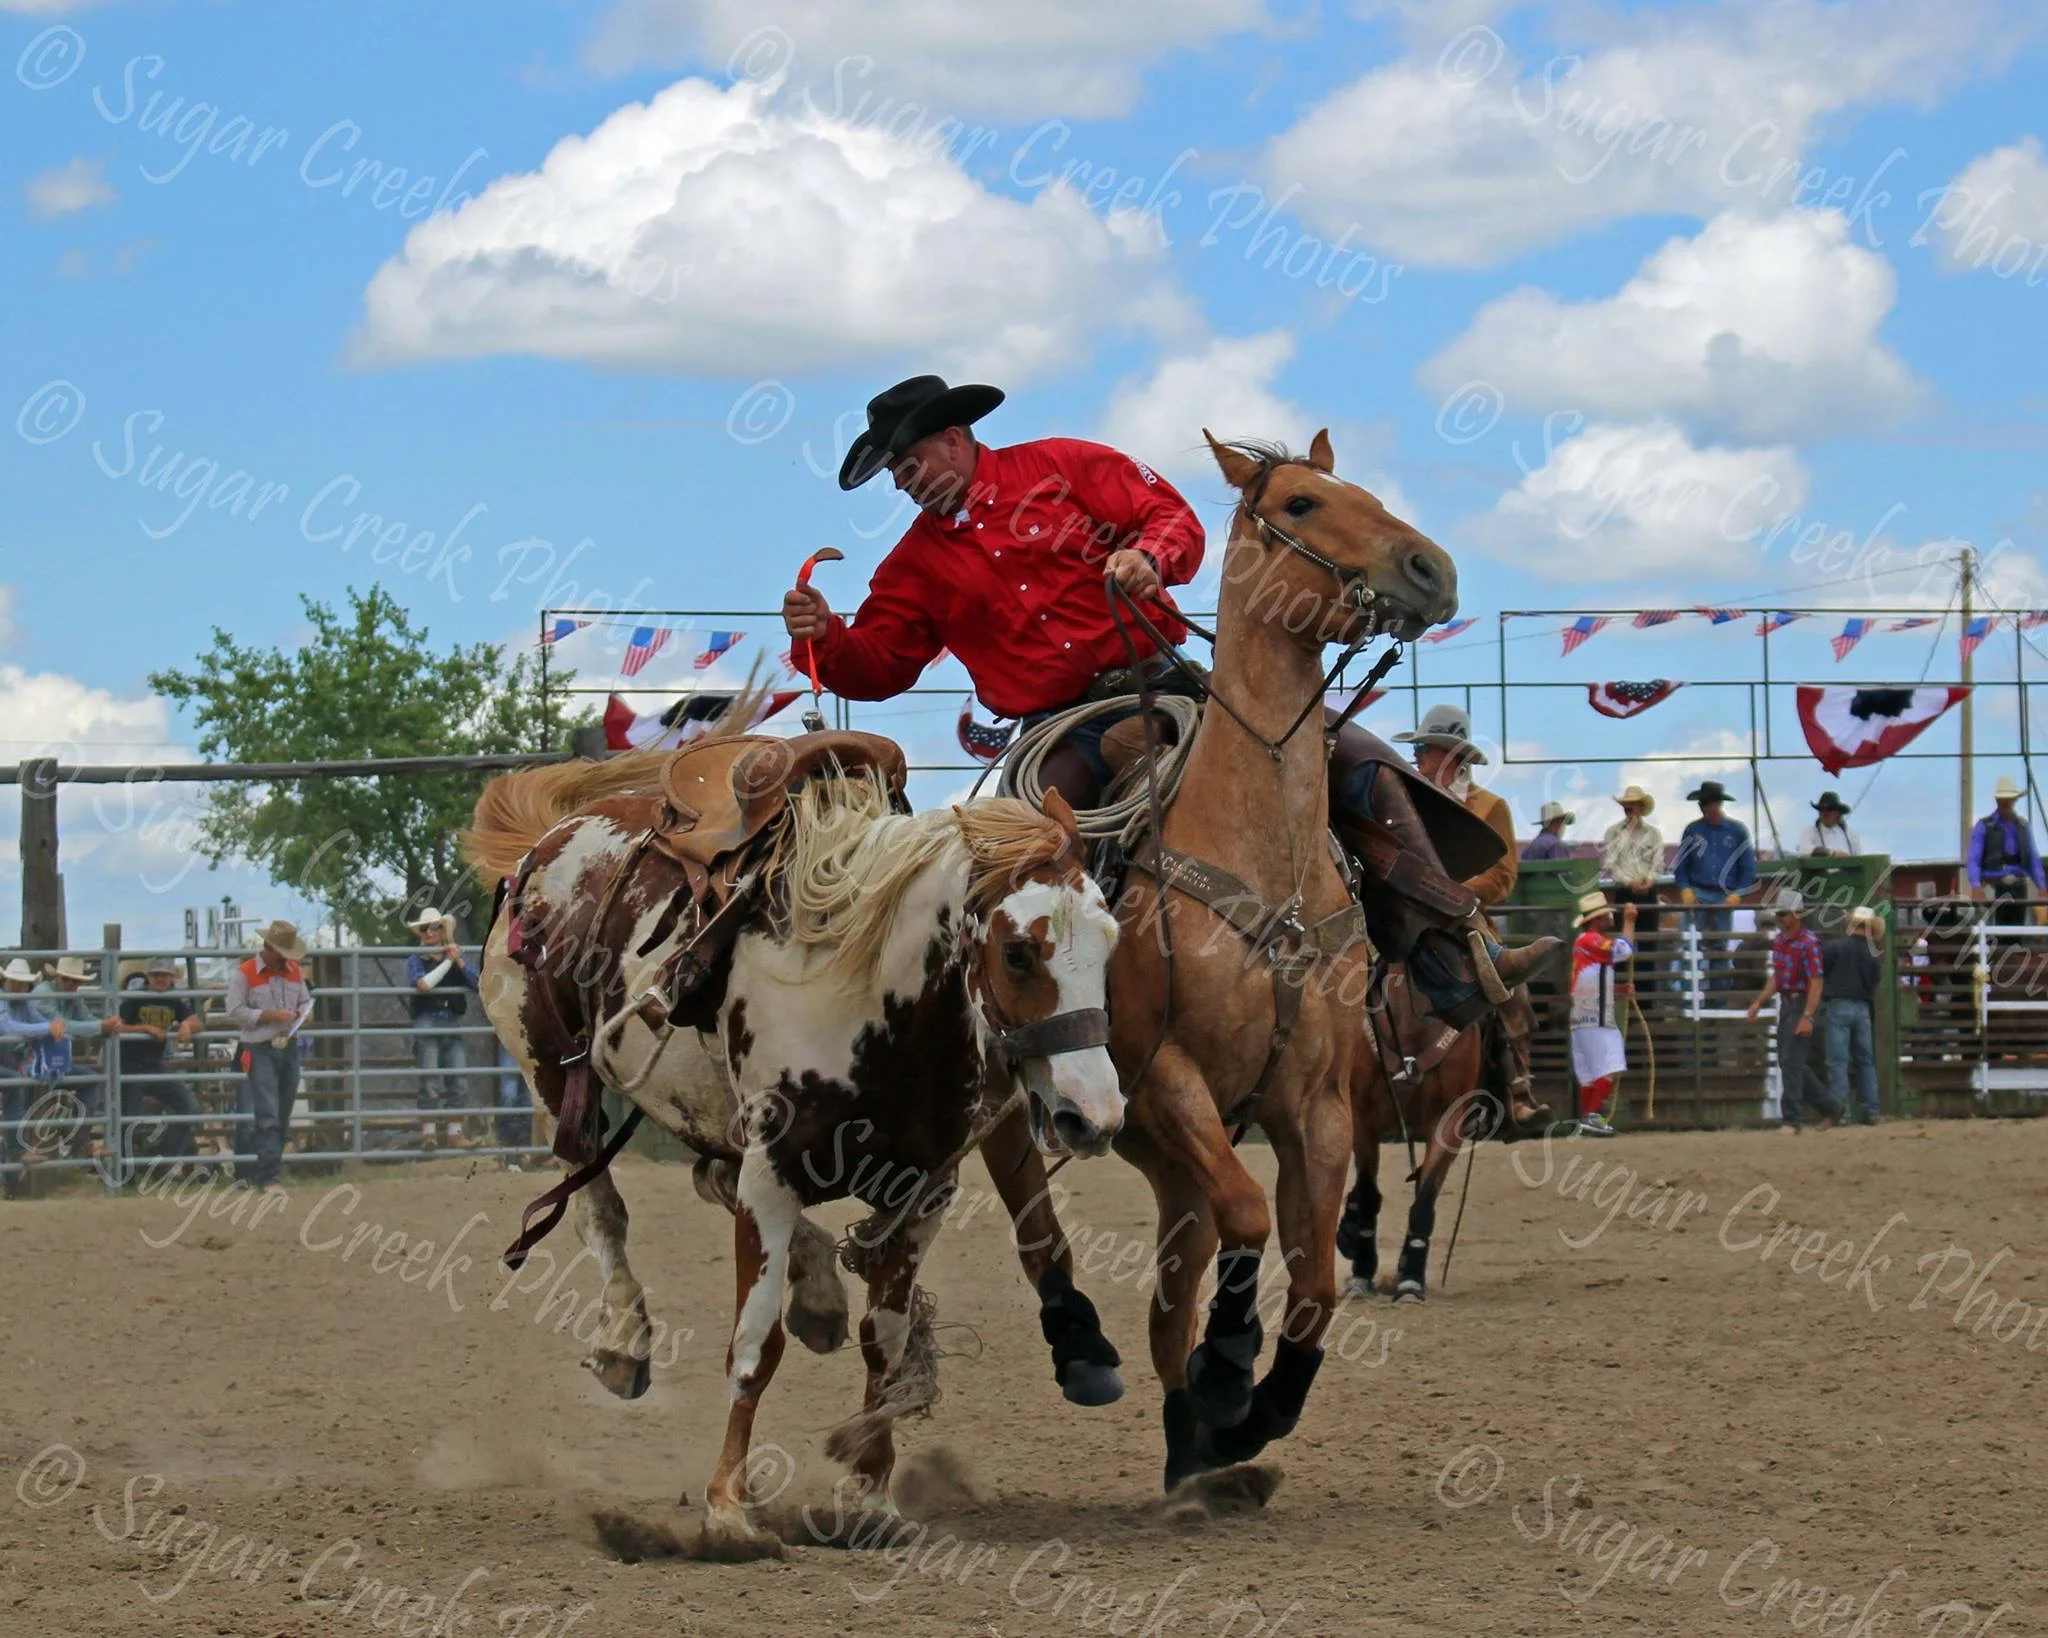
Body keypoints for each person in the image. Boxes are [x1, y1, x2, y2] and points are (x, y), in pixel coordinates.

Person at [783, 373, 1554, 1030]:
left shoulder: (1066, 465)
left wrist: (1150, 558)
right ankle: (1034, 1034)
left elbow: (1171, 521)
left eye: (909, 462)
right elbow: (881, 665)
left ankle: (1454, 946)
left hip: (1168, 680)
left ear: (954, 439)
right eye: (895, 474)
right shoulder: (914, 564)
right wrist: (827, 638)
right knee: (1024, 857)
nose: (904, 481)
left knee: (1357, 758)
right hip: (1059, 728)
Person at [1394, 705, 1544, 1130]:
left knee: (1508, 989)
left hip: (1463, 918)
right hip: (1405, 911)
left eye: (1423, 748)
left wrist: (1450, 893)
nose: (1417, 757)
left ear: (1449, 755)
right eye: (1418, 748)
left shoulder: (1490, 806)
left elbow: (1503, 875)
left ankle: (1519, 1090)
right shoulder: (1406, 800)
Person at [223, 920, 312, 1194]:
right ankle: (268, 1177)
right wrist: (272, 1016)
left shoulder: (294, 972)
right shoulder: (245, 973)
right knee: (267, 1113)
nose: (285, 959)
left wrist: (304, 1013)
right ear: (267, 947)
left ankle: (265, 1173)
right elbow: (234, 1012)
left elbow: (305, 1002)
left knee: (281, 1113)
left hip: (288, 1046)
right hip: (258, 1048)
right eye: (280, 952)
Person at [1745, 890, 1841, 1133]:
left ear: (1796, 915)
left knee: (1791, 1063)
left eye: (1783, 914)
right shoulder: (1781, 941)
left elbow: (1816, 982)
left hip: (1799, 1003)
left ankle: (1792, 1118)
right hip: (1789, 1004)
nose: (1780, 918)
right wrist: (1759, 1001)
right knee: (1790, 1062)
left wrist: (1808, 1015)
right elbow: (1777, 977)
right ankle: (1830, 1107)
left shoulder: (1808, 943)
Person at [116, 956, 205, 1161]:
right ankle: (123, 1171)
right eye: (156, 975)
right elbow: (117, 1026)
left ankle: (160, 1158)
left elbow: (198, 1023)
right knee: (125, 1119)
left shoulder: (174, 1001)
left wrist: (185, 1025)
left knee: (189, 1108)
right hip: (129, 1065)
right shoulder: (135, 999)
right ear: (149, 977)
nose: (160, 979)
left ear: (171, 978)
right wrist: (144, 1028)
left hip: (154, 1065)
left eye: (164, 975)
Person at [33, 955, 122, 1157]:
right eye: (67, 979)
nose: (71, 984)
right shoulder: (43, 994)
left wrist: (106, 1024)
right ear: (57, 978)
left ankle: (77, 1138)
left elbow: (86, 1019)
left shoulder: (72, 997)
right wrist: (102, 1026)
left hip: (52, 1061)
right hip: (33, 1061)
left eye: (75, 981)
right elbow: (65, 1025)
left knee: (90, 1080)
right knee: (89, 1080)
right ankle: (74, 1137)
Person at [405, 908, 478, 1151]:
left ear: (442, 931)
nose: (428, 933)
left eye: (434, 927)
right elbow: (424, 985)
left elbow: (478, 983)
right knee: (429, 1079)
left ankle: (453, 1134)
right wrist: (450, 960)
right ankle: (429, 1135)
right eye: (425, 929)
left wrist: (458, 960)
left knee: (458, 1079)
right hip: (427, 1020)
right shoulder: (417, 959)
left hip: (450, 1020)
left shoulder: (453, 959)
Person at [1674, 780, 1756, 988]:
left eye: (1710, 803)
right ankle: (1691, 1000)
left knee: (1719, 946)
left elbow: (1748, 867)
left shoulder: (1737, 831)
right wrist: (1685, 889)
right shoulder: (1692, 830)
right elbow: (1681, 866)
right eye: (1704, 803)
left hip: (1724, 894)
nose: (1707, 807)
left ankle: (1717, 999)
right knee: (1691, 945)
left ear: (1718, 804)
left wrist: (1738, 893)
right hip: (1698, 891)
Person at [1567, 892, 1636, 1137]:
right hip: (1594, 1016)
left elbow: (1590, 979)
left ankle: (1587, 1118)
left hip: (1582, 1016)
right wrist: (1630, 921)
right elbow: (1624, 950)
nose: (1610, 917)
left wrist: (1617, 989)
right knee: (1611, 1063)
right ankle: (1592, 1116)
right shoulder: (1591, 941)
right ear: (1597, 919)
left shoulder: (1584, 943)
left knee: (1589, 1073)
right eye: (1606, 915)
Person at [0, 958, 66, 1197]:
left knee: (19, 1099)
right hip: (7, 1066)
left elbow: (38, 1022)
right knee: (16, 1088)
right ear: (5, 982)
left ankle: (11, 1185)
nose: (18, 987)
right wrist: (49, 1028)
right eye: (14, 982)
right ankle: (16, 1157)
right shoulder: (3, 1002)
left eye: (22, 983)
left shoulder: (24, 1004)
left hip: (8, 1064)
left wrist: (54, 1025)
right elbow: (7, 1027)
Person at [1822, 906, 1883, 1126]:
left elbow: (1821, 972)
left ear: (1850, 925)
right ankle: (1871, 1110)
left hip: (1838, 1004)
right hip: (1862, 1008)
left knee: (1838, 1062)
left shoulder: (1834, 947)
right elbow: (1874, 983)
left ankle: (1842, 1113)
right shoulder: (1872, 955)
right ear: (1869, 929)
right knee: (1865, 1061)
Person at [1967, 776, 2044, 927]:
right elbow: (1973, 859)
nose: (2005, 803)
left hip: (2019, 886)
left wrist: (2042, 887)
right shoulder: (1984, 826)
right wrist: (1976, 886)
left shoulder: (2023, 826)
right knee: (1992, 932)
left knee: (2019, 931)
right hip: (1993, 885)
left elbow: (2033, 858)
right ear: (1997, 801)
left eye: (2009, 799)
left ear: (2014, 801)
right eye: (2003, 799)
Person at [1599, 785, 1664, 932]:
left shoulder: (1654, 834)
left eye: (1632, 804)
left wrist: (1649, 879)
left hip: (1648, 892)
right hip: (1624, 891)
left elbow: (1658, 863)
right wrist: (1629, 882)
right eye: (1626, 805)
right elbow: (1611, 865)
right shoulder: (1613, 832)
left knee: (1649, 941)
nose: (1628, 808)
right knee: (1623, 941)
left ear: (1641, 807)